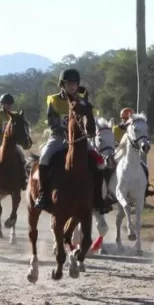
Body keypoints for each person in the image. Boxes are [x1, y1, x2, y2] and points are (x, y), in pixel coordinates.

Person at [34, 68, 111, 213]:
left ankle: (98, 198)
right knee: (44, 159)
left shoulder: (82, 100)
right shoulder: (54, 100)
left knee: (100, 162)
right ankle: (43, 194)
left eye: (74, 83)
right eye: (69, 83)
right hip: (58, 138)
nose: (72, 86)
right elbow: (52, 122)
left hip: (79, 140)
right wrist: (67, 132)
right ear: (62, 84)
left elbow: (89, 118)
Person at [110, 107, 154, 197]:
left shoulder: (135, 128)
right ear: (122, 119)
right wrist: (117, 144)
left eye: (128, 119)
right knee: (108, 169)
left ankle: (145, 189)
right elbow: (113, 142)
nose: (127, 121)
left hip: (132, 154)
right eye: (125, 119)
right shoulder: (116, 129)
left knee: (144, 168)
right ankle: (107, 192)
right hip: (120, 153)